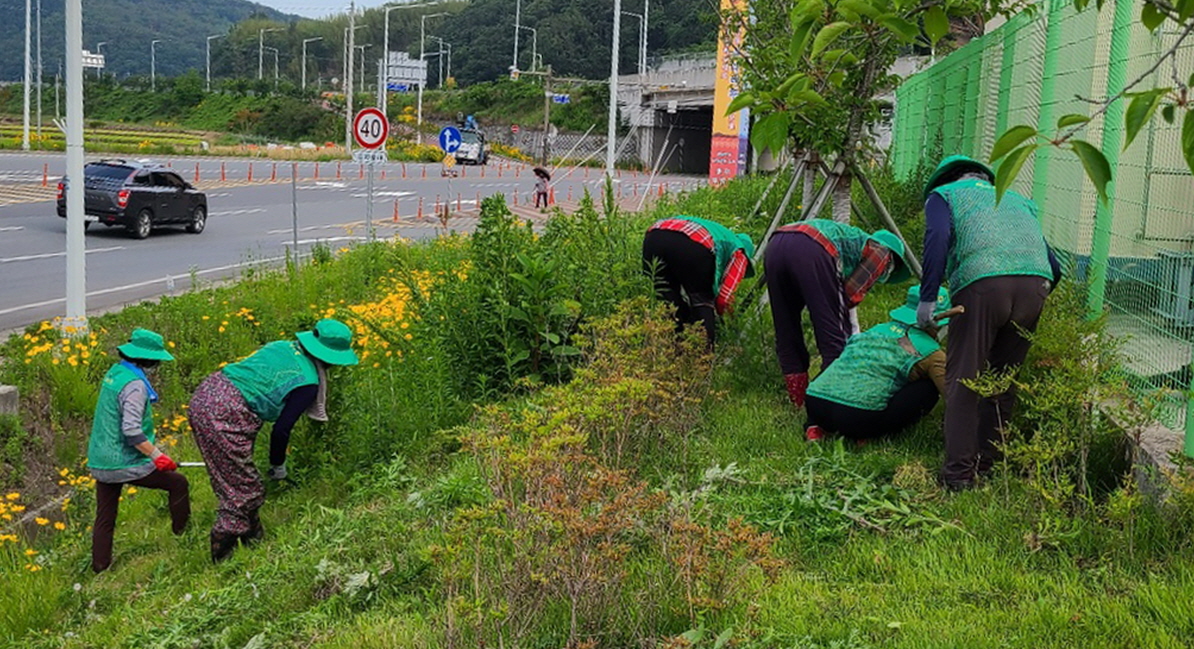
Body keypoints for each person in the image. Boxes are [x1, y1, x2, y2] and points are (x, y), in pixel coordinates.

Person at [918, 155, 1063, 490]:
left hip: (981, 286)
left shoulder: (944, 196)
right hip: (1035, 285)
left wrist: (928, 298)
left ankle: (958, 475)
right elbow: (1054, 266)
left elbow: (937, 239)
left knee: (964, 379)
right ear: (985, 178)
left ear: (945, 179)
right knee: (1002, 381)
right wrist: (1032, 294)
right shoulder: (1015, 200)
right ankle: (989, 465)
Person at [188, 319, 358, 562]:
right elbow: (281, 430)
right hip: (225, 414)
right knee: (244, 489)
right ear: (331, 357)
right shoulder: (308, 382)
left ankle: (254, 540)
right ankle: (222, 556)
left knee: (237, 480)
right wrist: (278, 466)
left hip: (207, 393)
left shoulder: (283, 346)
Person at [764, 219, 913, 409]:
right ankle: (828, 404)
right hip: (811, 246)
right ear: (893, 259)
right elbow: (849, 296)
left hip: (776, 245)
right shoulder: (882, 252)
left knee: (786, 329)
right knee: (833, 337)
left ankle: (798, 400)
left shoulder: (852, 243)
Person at [87, 328, 189, 573]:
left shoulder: (116, 373)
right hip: (124, 461)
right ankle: (183, 537)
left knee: (105, 516)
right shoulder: (135, 386)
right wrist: (158, 456)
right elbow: (131, 431)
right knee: (178, 483)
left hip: (100, 459)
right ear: (148, 360)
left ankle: (100, 568)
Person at [804, 287, 951, 442]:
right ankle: (864, 434)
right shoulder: (930, 352)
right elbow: (953, 394)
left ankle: (815, 427)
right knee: (928, 387)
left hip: (815, 403)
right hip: (856, 416)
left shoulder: (876, 329)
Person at [642, 215, 755, 347]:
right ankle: (703, 358)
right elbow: (724, 299)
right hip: (692, 242)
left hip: (653, 237)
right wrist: (729, 324)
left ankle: (675, 350)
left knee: (670, 300)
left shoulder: (721, 233)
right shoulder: (740, 251)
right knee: (701, 301)